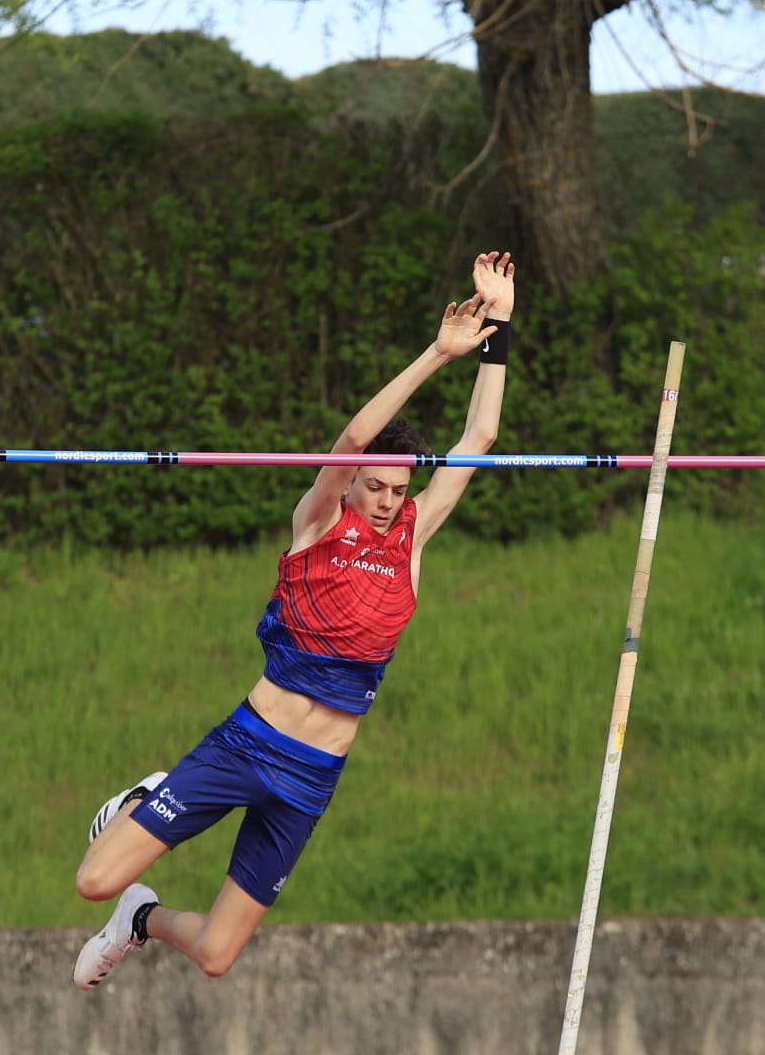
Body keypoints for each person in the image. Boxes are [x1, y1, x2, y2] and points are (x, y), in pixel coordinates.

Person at [72, 251, 517, 989]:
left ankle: (140, 920)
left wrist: (498, 323)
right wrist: (438, 353)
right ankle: (143, 802)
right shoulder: (317, 524)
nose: (384, 500)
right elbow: (348, 442)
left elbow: (480, 439)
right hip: (249, 744)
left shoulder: (413, 537)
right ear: (351, 488)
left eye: (397, 490)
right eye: (372, 486)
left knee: (216, 954)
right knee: (93, 880)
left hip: (314, 776)